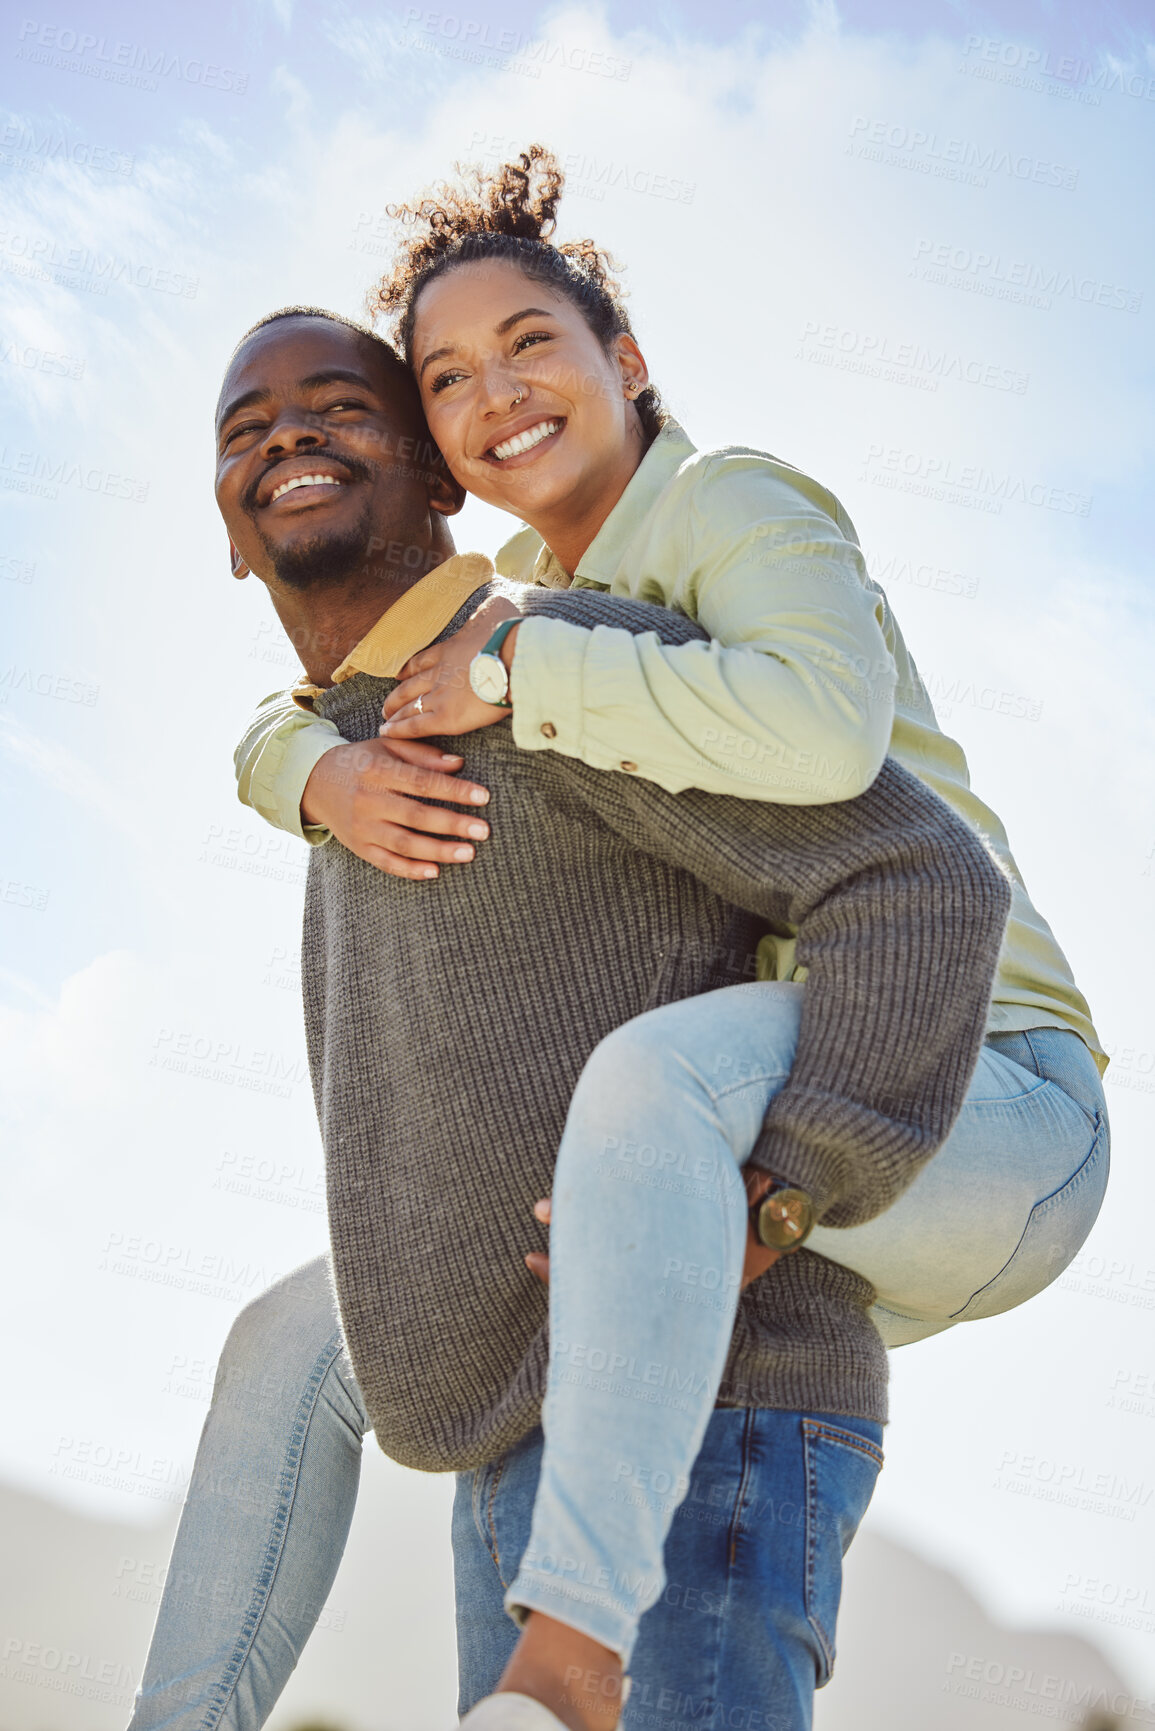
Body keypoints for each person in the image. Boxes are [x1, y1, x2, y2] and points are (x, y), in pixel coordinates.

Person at [125, 304, 1082, 1731]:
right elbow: (299, 718)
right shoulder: (392, 730)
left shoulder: (602, 629)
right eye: (449, 377)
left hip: (931, 1145)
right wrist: (301, 768)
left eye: (341, 406)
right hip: (571, 1372)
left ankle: (569, 1646)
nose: (290, 439)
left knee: (651, 1086)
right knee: (288, 1336)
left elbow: (912, 860)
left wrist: (776, 1199)